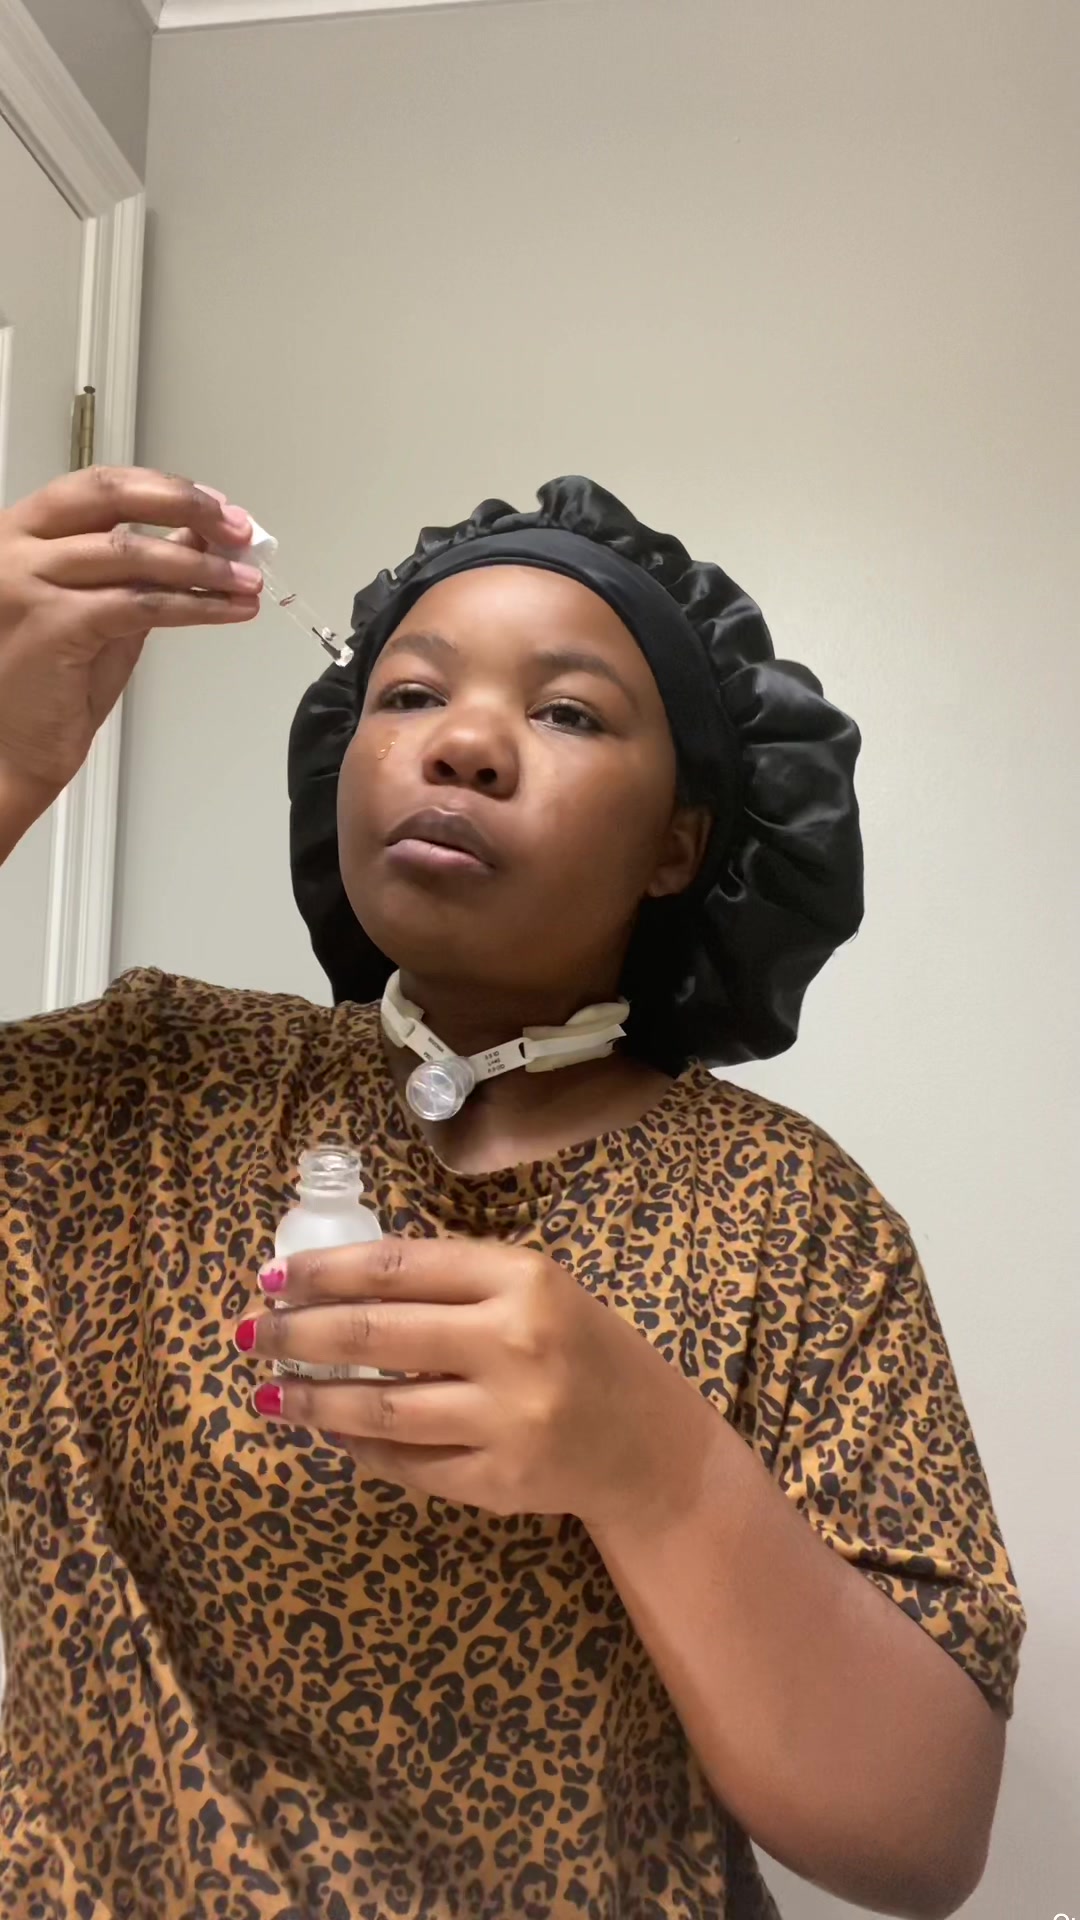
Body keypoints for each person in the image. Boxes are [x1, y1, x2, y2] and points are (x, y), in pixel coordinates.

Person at [0, 467, 1024, 1920]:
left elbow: (921, 1839)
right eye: (410, 693)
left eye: (569, 714)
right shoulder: (148, 1087)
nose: (466, 742)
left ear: (679, 845)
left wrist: (653, 1465)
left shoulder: (793, 1216)